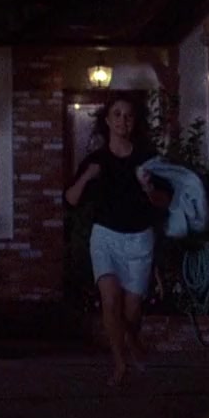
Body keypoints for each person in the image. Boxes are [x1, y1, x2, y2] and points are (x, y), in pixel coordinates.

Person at [64, 96, 159, 387]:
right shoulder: (97, 161)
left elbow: (164, 202)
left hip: (139, 238)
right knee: (110, 300)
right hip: (105, 236)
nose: (122, 121)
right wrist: (87, 177)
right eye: (116, 115)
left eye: (127, 115)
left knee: (131, 311)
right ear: (107, 121)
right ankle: (119, 363)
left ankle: (133, 340)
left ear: (134, 121)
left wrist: (149, 188)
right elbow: (71, 199)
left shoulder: (147, 159)